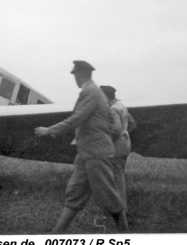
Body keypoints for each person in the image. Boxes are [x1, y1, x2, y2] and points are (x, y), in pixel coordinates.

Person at [34, 61, 129, 233]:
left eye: (75, 75)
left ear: (81, 74)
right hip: (87, 153)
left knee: (109, 197)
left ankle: (126, 235)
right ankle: (57, 233)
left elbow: (77, 118)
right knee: (75, 194)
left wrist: (49, 130)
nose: (75, 79)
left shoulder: (90, 91)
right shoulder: (96, 93)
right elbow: (109, 121)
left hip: (96, 154)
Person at [100, 85, 137, 209]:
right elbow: (132, 124)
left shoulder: (113, 109)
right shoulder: (121, 106)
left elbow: (114, 131)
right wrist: (124, 135)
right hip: (124, 147)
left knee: (117, 179)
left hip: (116, 149)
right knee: (118, 176)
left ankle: (120, 208)